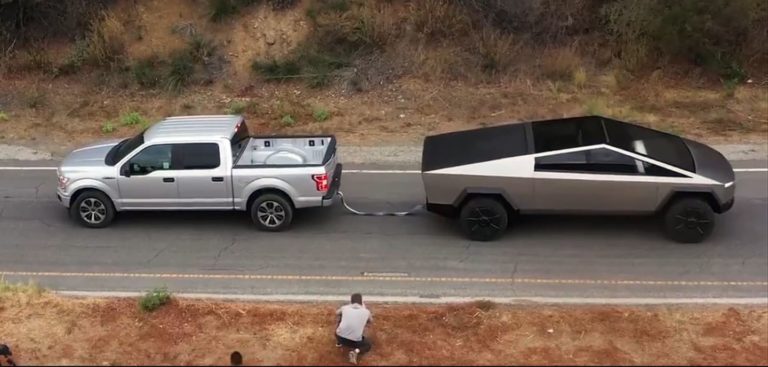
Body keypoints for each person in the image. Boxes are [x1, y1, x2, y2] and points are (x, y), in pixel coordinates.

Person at [335, 293, 372, 365]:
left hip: (339, 337)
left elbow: (337, 313)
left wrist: (348, 308)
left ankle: (339, 343)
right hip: (354, 343)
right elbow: (370, 321)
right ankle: (356, 351)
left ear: (351, 301)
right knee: (368, 345)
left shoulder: (345, 308)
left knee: (341, 315)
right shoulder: (366, 311)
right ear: (361, 302)